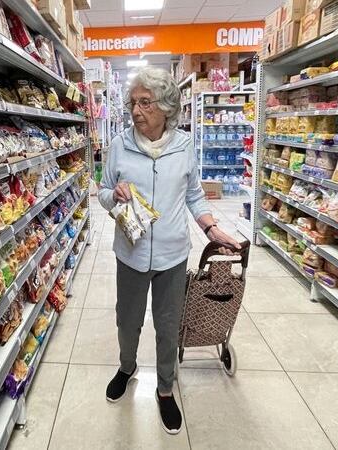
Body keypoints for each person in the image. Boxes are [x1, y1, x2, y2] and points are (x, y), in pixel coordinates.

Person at [98, 67, 242, 435]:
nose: (136, 110)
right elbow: (102, 191)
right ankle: (127, 367)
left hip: (173, 253)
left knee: (167, 324)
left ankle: (164, 388)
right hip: (130, 252)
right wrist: (112, 197)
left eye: (145, 102)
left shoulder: (183, 146)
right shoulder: (119, 145)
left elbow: (194, 194)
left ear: (165, 107)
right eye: (133, 102)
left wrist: (210, 227)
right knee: (126, 320)